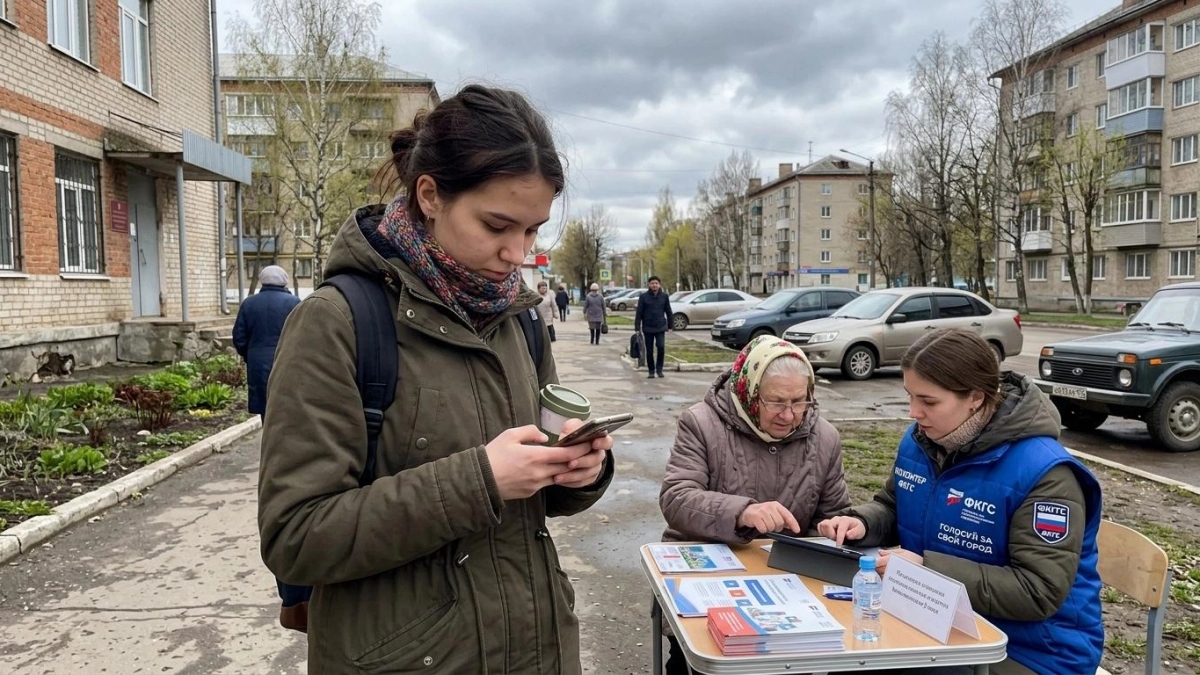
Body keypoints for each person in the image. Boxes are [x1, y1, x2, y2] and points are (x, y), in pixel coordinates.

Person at [257, 84, 614, 675]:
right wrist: (480, 479)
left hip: (536, 649)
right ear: (430, 195)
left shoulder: (518, 318)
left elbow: (535, 491)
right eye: (497, 225)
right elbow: (295, 536)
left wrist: (579, 471)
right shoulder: (338, 321)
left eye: (532, 230)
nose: (516, 253)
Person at [817, 328, 1103, 675]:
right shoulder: (921, 443)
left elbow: (1037, 591)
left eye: (929, 401)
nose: (913, 413)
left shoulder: (1046, 474)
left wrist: (925, 572)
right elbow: (894, 505)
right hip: (935, 621)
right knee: (836, 650)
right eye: (910, 396)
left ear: (976, 398)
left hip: (1032, 652)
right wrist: (861, 522)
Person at [660, 335, 851, 675]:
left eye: (799, 401)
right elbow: (677, 498)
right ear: (749, 392)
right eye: (775, 402)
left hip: (788, 588)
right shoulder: (702, 423)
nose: (789, 415)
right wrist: (743, 511)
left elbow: (834, 513)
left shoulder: (825, 438)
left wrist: (835, 526)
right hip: (708, 581)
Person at [231, 265, 300, 416]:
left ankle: (267, 438)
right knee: (286, 406)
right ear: (284, 281)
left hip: (258, 362)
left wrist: (250, 354)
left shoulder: (249, 304)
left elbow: (239, 337)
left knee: (265, 408)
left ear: (262, 280)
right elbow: (303, 335)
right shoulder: (294, 303)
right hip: (287, 361)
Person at [634, 275, 672, 378]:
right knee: (649, 350)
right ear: (649, 285)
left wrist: (670, 325)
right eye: (652, 283)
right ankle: (651, 371)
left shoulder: (664, 296)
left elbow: (668, 311)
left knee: (661, 347)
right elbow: (639, 313)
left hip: (660, 326)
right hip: (648, 327)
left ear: (659, 285)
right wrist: (637, 327)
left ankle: (659, 369)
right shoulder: (644, 297)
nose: (654, 285)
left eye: (656, 283)